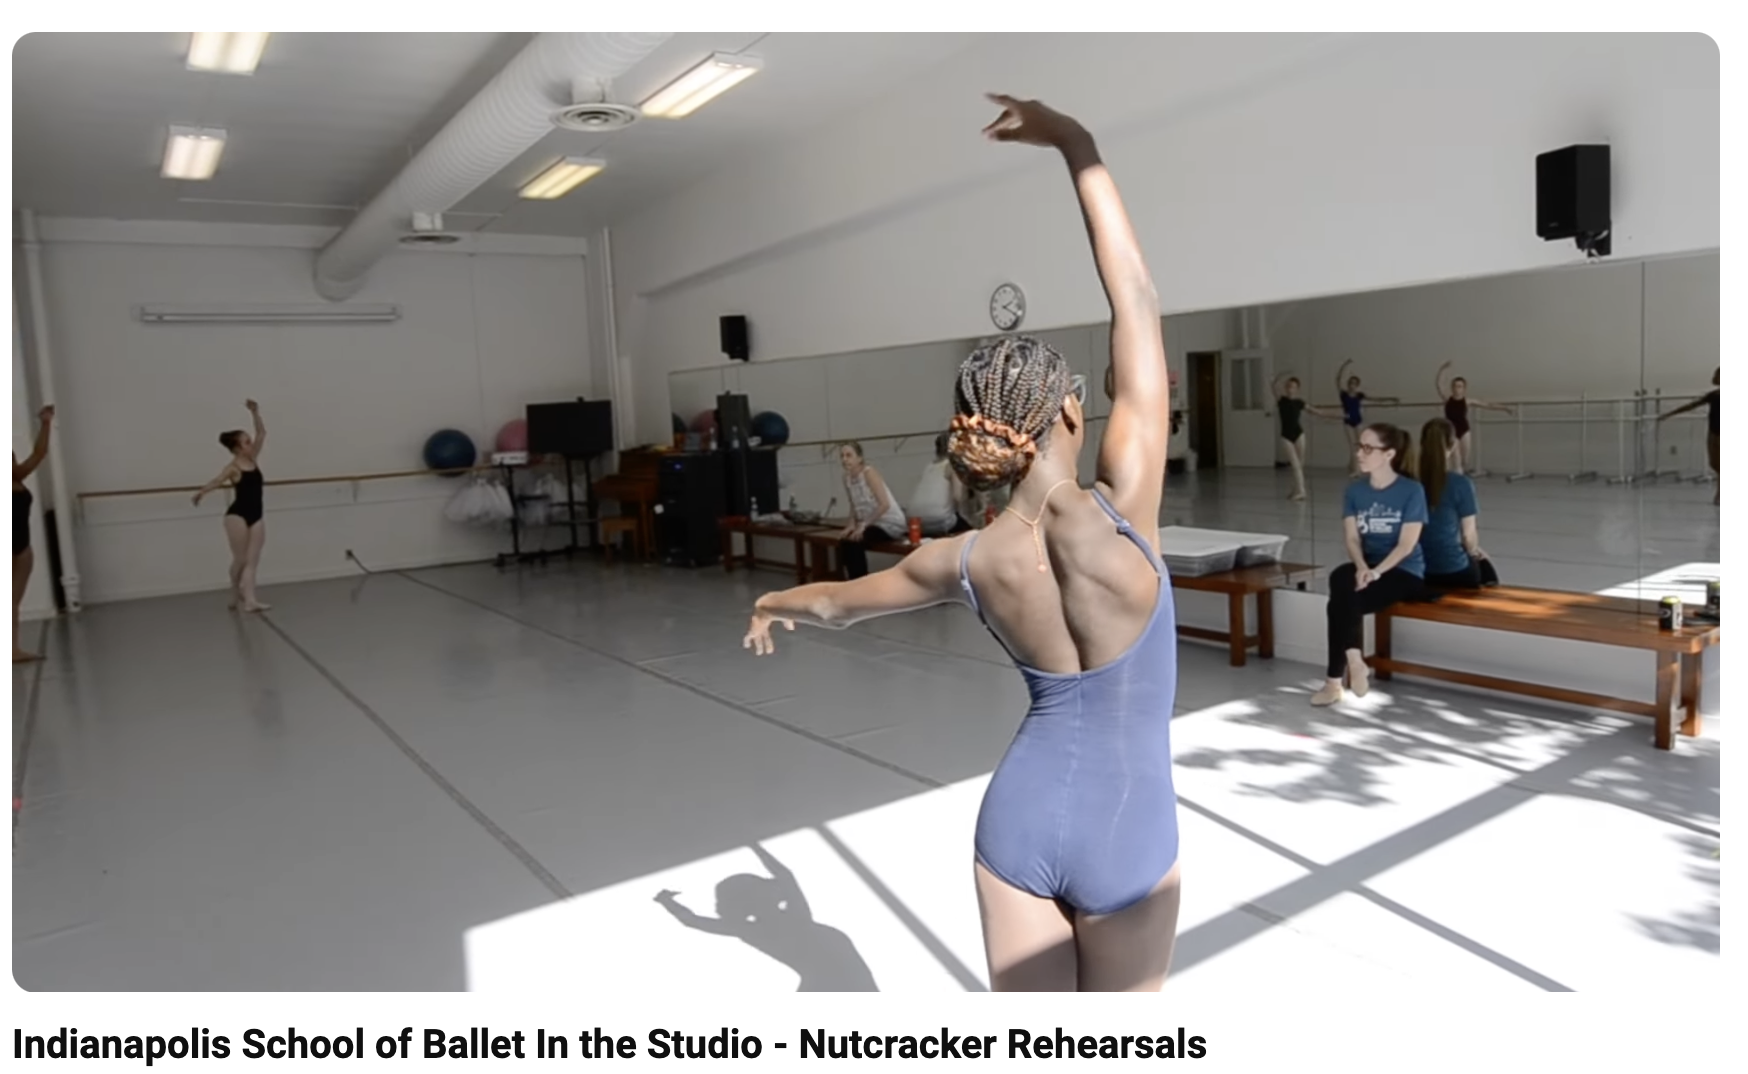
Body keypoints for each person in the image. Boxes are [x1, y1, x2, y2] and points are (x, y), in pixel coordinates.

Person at [743, 95, 1180, 992]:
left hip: (1016, 824)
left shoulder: (964, 561)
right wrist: (1076, 144)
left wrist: (770, 600)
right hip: (1129, 827)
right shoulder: (1125, 506)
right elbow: (1134, 293)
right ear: (1069, 412)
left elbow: (834, 603)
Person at [1315, 422, 1427, 707]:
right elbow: (1352, 538)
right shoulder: (1355, 491)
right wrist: (1362, 566)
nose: (1360, 454)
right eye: (1358, 447)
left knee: (1339, 603)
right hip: (1368, 565)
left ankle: (1332, 683)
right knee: (1341, 579)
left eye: (1368, 448)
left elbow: (1406, 545)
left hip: (1402, 570)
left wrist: (1376, 572)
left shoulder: (1412, 491)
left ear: (1389, 454)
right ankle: (1354, 658)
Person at [192, 400, 271, 612]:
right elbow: (217, 481)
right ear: (237, 448)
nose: (251, 443)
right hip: (236, 515)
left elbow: (262, 433)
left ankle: (251, 600)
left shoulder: (253, 459)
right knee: (241, 559)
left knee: (253, 560)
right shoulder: (233, 467)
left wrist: (255, 412)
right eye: (246, 442)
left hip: (257, 514)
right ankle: (235, 591)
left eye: (249, 440)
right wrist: (202, 492)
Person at [1416, 418, 1488, 589]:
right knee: (1487, 570)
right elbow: (1468, 537)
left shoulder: (1407, 482)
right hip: (1451, 570)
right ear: (1453, 444)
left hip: (1415, 568)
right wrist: (1474, 553)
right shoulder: (1460, 484)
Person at [13, 405, 54, 663]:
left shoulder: (15, 478)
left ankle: (12, 650)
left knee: (11, 603)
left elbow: (39, 453)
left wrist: (46, 424)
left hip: (21, 548)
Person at [835, 441, 908, 579]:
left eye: (849, 455)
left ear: (859, 458)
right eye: (842, 456)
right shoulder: (847, 478)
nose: (845, 459)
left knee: (856, 541)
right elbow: (853, 504)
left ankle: (861, 581)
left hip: (888, 523)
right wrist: (850, 525)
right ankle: (848, 581)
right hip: (870, 523)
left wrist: (863, 525)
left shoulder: (869, 473)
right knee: (844, 541)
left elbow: (884, 504)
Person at [1271, 374, 1340, 501]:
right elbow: (1273, 387)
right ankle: (1302, 491)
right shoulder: (1281, 401)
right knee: (1295, 464)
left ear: (1297, 389)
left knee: (1300, 465)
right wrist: (1278, 378)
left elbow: (1317, 412)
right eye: (1288, 386)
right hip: (1286, 436)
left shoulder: (1299, 403)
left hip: (1299, 434)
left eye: (1293, 387)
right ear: (1286, 388)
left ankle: (1296, 489)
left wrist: (1336, 415)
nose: (1290, 389)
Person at [1434, 364, 1512, 475]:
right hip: (1451, 431)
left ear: (1464, 389)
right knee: (1456, 457)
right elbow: (1439, 385)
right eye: (1455, 386)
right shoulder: (1447, 399)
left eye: (1460, 386)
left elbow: (1487, 405)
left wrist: (1505, 408)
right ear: (1452, 388)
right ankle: (1457, 475)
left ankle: (1463, 473)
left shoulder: (1467, 401)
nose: (1457, 389)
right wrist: (1442, 369)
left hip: (1464, 430)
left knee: (1465, 459)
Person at [1656, 367, 1719, 505]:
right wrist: (1669, 414)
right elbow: (1691, 405)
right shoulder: (1714, 395)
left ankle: (1720, 494)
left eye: (1716, 375)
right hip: (1714, 432)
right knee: (1715, 464)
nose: (1713, 377)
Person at [908, 432, 981, 537]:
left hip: (914, 520)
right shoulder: (952, 465)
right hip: (940, 520)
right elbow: (958, 497)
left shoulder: (929, 467)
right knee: (973, 535)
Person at [1335, 361, 1398, 474]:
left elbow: (1375, 399)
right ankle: (1355, 469)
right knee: (1352, 446)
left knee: (1360, 445)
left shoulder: (1359, 395)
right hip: (1348, 421)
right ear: (1348, 384)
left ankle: (1352, 466)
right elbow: (1338, 380)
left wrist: (1390, 399)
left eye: (1354, 383)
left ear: (1357, 385)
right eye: (1350, 383)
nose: (1352, 385)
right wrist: (1344, 366)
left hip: (1358, 421)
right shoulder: (1343, 395)